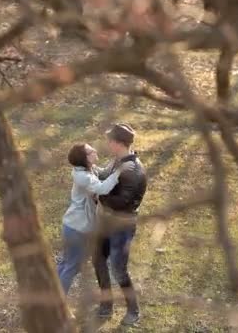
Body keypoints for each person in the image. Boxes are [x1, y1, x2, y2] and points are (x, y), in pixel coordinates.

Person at [93, 123, 147, 326]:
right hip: (105, 222)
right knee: (98, 260)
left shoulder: (133, 170)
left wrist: (99, 195)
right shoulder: (117, 161)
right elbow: (105, 176)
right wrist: (89, 169)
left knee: (118, 269)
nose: (107, 144)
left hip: (121, 226)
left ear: (117, 143)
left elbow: (123, 202)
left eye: (110, 141)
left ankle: (133, 310)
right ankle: (106, 305)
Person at [57, 143, 123, 295]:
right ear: (84, 158)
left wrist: (117, 160)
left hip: (74, 226)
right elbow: (103, 188)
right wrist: (120, 171)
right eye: (90, 150)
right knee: (71, 266)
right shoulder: (83, 176)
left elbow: (104, 173)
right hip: (76, 228)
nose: (94, 150)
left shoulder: (88, 170)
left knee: (67, 262)